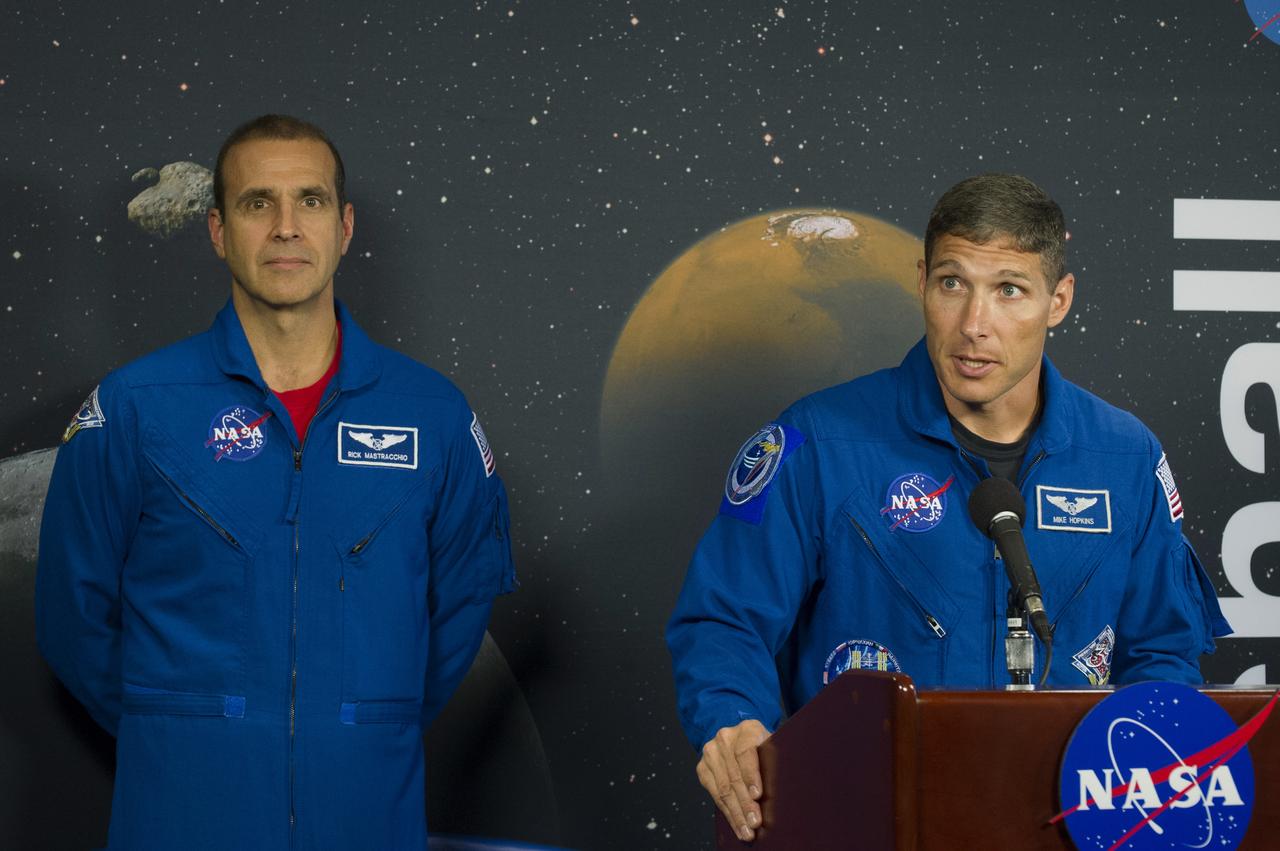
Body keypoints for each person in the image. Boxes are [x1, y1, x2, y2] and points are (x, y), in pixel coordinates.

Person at [665, 173, 1231, 842]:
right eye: (952, 283)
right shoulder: (821, 443)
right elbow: (724, 617)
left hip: (1062, 826)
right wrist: (735, 718)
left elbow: (1163, 648)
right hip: (864, 821)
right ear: (922, 283)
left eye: (1009, 290)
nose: (973, 325)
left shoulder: (1125, 458)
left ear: (1060, 300)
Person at [35, 114, 515, 851]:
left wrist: (358, 720)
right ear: (218, 230)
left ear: (346, 225)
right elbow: (71, 614)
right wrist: (183, 726)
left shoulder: (433, 416)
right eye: (259, 203)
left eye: (311, 201)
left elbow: (460, 608)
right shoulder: (136, 408)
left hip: (366, 818)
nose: (286, 227)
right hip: (178, 818)